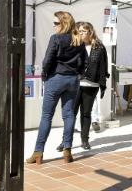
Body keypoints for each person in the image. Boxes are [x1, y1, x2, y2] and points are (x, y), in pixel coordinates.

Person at [27, 11, 86, 165]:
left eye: (56, 23)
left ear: (63, 23)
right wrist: (78, 74)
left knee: (47, 115)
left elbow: (47, 60)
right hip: (72, 80)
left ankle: (38, 152)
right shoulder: (78, 39)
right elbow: (84, 61)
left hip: (56, 78)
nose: (53, 26)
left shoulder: (56, 38)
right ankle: (67, 150)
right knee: (68, 115)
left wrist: (45, 76)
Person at [57, 21, 109, 151]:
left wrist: (102, 83)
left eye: (84, 31)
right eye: (79, 31)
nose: (81, 33)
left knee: (86, 113)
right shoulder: (74, 45)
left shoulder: (99, 47)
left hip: (91, 85)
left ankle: (85, 140)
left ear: (90, 32)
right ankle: (65, 141)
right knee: (71, 113)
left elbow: (103, 66)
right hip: (74, 84)